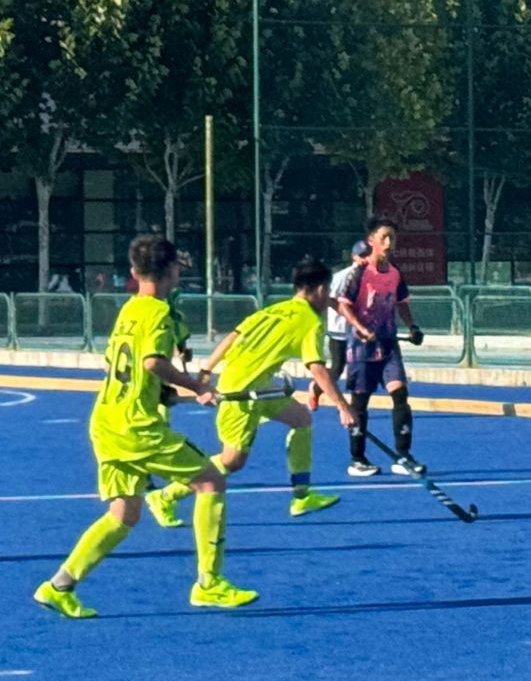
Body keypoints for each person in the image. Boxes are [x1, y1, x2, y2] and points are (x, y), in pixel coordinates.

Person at [35, 235, 256, 619]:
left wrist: (161, 393)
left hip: (107, 420)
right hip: (136, 427)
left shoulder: (130, 309)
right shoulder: (158, 312)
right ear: (172, 270)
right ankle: (209, 584)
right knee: (210, 481)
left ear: (134, 272)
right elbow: (152, 361)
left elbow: (119, 365)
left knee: (124, 514)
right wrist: (197, 386)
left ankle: (59, 586)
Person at [149, 255, 354, 527]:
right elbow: (316, 368)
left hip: (259, 387)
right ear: (319, 289)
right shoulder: (311, 321)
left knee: (301, 419)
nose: (327, 299)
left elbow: (232, 336)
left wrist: (208, 368)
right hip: (242, 392)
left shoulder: (272, 310)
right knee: (231, 461)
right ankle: (165, 496)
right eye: (326, 292)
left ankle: (301, 496)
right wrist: (343, 407)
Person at [335, 218, 427, 478]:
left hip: (388, 344)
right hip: (362, 347)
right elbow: (343, 305)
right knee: (360, 401)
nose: (389, 243)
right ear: (371, 241)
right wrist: (361, 328)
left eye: (392, 238)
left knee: (400, 395)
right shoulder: (360, 272)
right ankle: (357, 458)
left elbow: (401, 302)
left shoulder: (395, 273)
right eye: (384, 237)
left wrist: (412, 326)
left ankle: (403, 456)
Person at [324, 238, 369, 391]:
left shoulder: (372, 276)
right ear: (354, 257)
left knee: (360, 364)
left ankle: (356, 394)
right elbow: (329, 298)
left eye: (368, 255)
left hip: (358, 331)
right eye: (362, 255)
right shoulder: (342, 276)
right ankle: (317, 387)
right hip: (340, 330)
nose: (365, 259)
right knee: (338, 367)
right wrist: (345, 312)